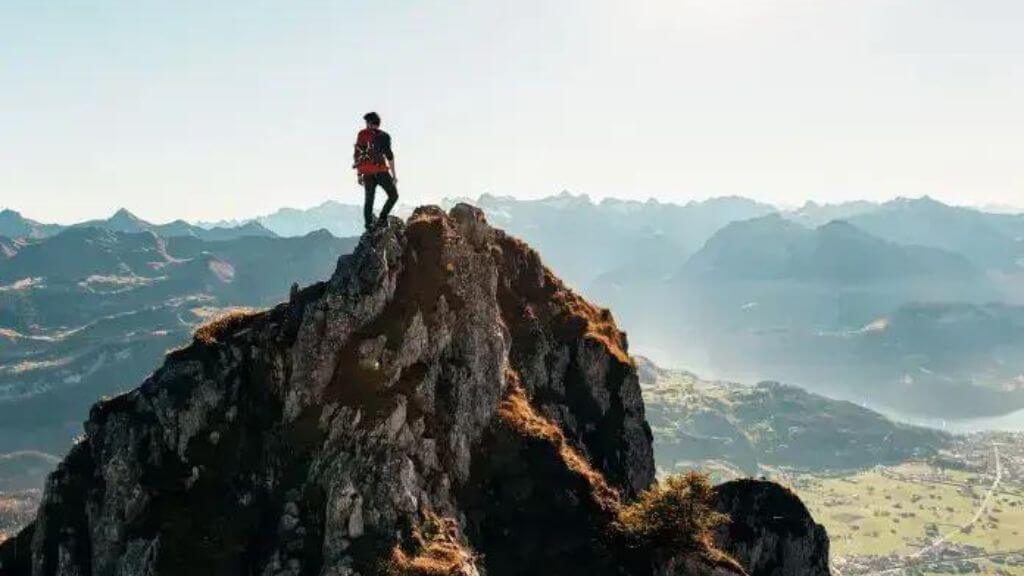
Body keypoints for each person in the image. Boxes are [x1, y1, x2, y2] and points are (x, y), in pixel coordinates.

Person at [353, 111, 398, 230]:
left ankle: (369, 225)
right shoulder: (384, 136)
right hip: (381, 171)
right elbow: (389, 156)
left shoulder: (361, 134)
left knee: (369, 199)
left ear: (369, 123)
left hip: (367, 173)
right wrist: (394, 175)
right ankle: (382, 218)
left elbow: (358, 155)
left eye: (366, 122)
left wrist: (359, 174)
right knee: (393, 195)